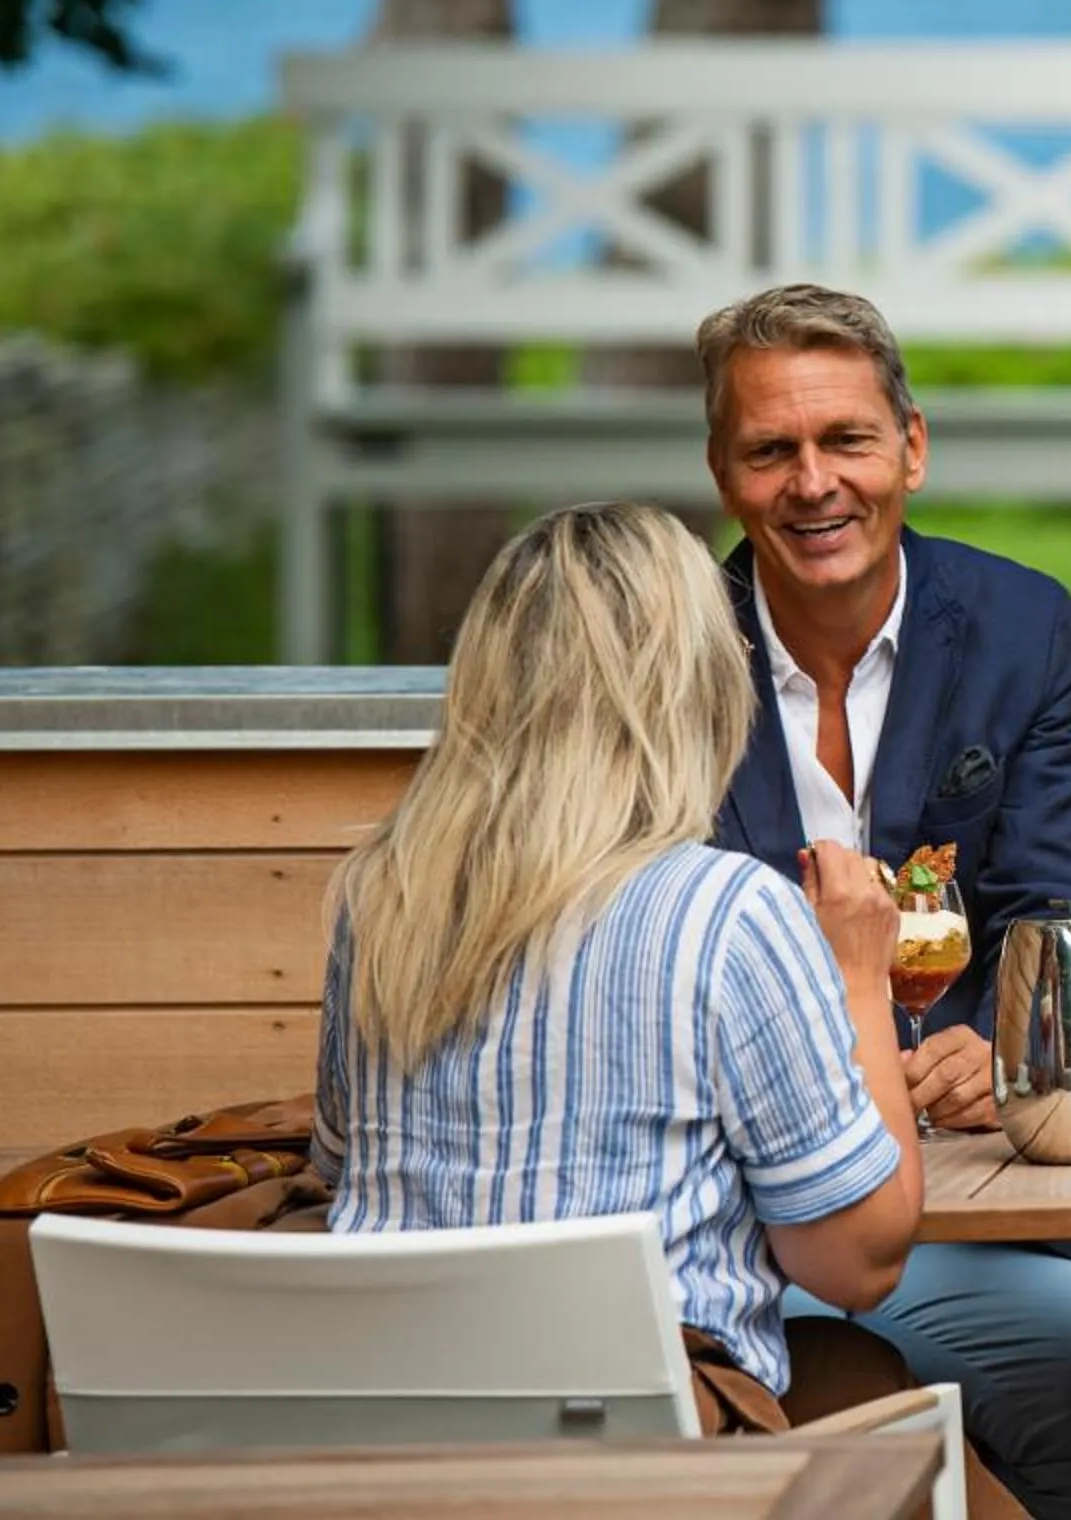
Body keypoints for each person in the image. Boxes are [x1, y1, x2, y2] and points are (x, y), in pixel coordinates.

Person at [696, 282, 1071, 1520]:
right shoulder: (668, 650)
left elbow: (1047, 909)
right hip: (738, 1209)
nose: (814, 483)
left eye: (846, 440)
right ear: (722, 470)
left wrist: (1006, 1047)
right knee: (842, 1405)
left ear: (911, 446)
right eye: (772, 449)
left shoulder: (1024, 625)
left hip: (985, 1192)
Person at [314, 502, 925, 1422]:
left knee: (859, 1376)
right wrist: (858, 979)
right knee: (887, 1387)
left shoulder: (381, 899)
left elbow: (336, 1159)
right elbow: (857, 1261)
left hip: (390, 1433)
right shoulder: (727, 914)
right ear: (697, 683)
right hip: (631, 1448)